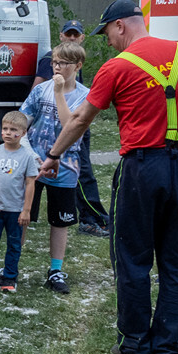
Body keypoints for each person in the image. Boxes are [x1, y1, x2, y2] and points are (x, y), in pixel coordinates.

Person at [39, 0, 178, 354]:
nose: (108, 41)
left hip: (142, 168)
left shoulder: (118, 66)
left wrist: (54, 155)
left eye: (107, 32)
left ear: (121, 25)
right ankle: (169, 349)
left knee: (132, 258)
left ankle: (136, 344)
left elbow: (80, 119)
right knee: (176, 262)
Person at [20, 41, 88, 295]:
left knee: (60, 220)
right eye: (55, 62)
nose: (57, 68)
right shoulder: (40, 90)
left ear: (77, 66)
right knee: (23, 215)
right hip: (34, 164)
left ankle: (56, 270)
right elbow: (22, 121)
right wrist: (31, 156)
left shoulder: (85, 95)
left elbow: (71, 126)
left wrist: (59, 92)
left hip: (66, 166)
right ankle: (13, 264)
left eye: (63, 63)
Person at [35, 19, 109, 235]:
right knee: (82, 173)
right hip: (60, 132)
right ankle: (92, 219)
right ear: (61, 36)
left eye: (76, 35)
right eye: (69, 34)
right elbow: (38, 91)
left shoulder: (76, 61)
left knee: (83, 172)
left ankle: (91, 218)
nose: (72, 38)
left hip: (79, 123)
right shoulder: (52, 59)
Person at [0, 111, 39, 293]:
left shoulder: (27, 156)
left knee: (14, 244)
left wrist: (26, 210)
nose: (8, 133)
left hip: (16, 210)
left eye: (13, 130)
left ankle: (10, 277)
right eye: (5, 128)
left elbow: (30, 183)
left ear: (23, 133)